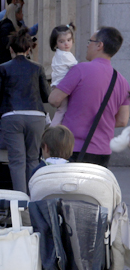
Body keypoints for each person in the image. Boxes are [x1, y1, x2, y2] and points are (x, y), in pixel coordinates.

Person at [49, 26, 130, 167]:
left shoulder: (80, 70)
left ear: (99, 45)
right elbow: (123, 121)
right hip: (103, 151)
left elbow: (54, 99)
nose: (87, 45)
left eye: (90, 41)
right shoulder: (122, 81)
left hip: (72, 147)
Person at [0, 27, 50, 193]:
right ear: (29, 49)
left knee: (16, 161)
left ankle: (20, 202)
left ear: (10, 49)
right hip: (36, 116)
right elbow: (46, 96)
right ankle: (33, 197)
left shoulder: (3, 68)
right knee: (33, 159)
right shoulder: (37, 68)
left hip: (12, 115)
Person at [48, 23, 77, 126]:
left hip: (57, 86)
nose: (66, 44)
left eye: (69, 40)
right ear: (55, 44)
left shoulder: (58, 54)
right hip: (63, 87)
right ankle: (53, 131)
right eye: (62, 41)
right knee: (62, 111)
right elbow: (77, 69)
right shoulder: (66, 55)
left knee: (61, 111)